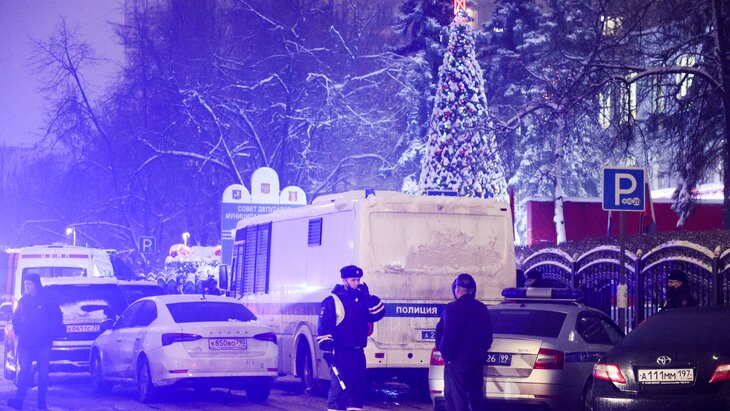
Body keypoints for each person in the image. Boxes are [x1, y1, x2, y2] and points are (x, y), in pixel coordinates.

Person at [317, 265, 385, 411]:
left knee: (357, 391)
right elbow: (324, 327)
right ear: (344, 280)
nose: (357, 283)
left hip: (358, 352)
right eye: (353, 280)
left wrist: (368, 298)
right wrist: (327, 350)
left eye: (358, 280)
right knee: (339, 391)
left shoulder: (362, 299)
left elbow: (378, 313)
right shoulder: (332, 301)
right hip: (341, 353)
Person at [435, 273, 493, 411]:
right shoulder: (482, 308)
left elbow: (444, 334)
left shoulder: (451, 308)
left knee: (456, 398)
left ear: (456, 290)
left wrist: (446, 355)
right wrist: (480, 352)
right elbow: (488, 337)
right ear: (473, 290)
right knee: (476, 397)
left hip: (456, 361)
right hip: (476, 360)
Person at [8, 273, 63, 410]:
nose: (26, 287)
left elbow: (57, 317)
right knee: (24, 372)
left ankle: (41, 403)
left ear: (36, 284)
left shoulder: (47, 299)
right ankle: (19, 401)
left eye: (29, 284)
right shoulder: (23, 301)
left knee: (43, 374)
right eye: (25, 284)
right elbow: (16, 319)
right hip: (26, 344)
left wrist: (51, 334)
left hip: (43, 344)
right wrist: (20, 332)